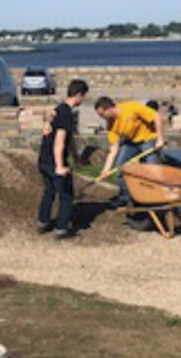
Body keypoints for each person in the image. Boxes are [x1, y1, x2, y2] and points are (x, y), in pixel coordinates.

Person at [37, 79, 89, 239]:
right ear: (79, 95)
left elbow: (69, 137)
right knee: (66, 194)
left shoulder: (58, 109)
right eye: (84, 97)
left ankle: (43, 222)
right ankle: (62, 228)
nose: (83, 100)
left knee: (49, 191)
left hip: (43, 158)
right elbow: (59, 142)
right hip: (53, 160)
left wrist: (75, 155)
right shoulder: (66, 113)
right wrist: (60, 166)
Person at [96, 97, 166, 205]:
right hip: (131, 141)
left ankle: (155, 197)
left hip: (148, 139)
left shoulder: (132, 107)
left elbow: (156, 116)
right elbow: (113, 149)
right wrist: (106, 170)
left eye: (101, 115)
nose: (101, 118)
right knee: (121, 166)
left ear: (108, 109)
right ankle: (125, 197)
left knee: (152, 166)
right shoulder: (110, 124)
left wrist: (160, 139)